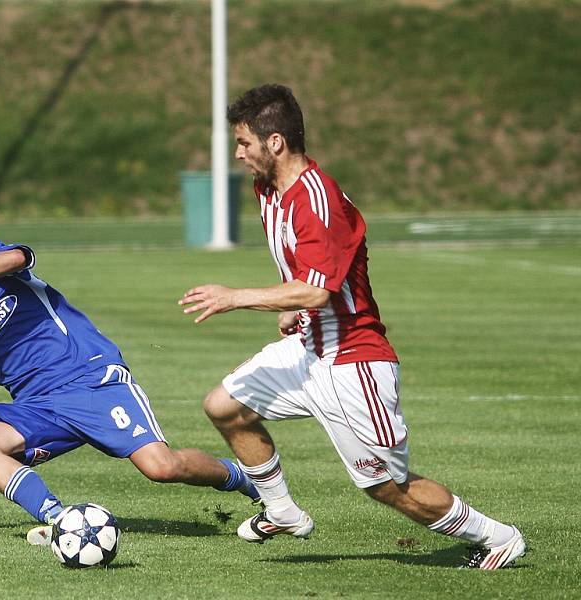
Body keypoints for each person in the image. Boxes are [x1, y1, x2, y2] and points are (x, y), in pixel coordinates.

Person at [178, 84, 526, 570]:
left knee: (388, 488)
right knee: (225, 406)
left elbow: (317, 291)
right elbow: (308, 278)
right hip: (308, 348)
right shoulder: (268, 190)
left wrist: (236, 296)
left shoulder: (317, 201)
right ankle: (282, 512)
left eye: (244, 143)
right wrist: (289, 305)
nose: (238, 154)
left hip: (353, 360)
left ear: (275, 142)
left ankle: (498, 537)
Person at [0, 207, 257, 543]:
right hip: (39, 405)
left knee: (161, 468)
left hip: (89, 376)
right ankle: (60, 521)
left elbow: (18, 258)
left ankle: (242, 476)